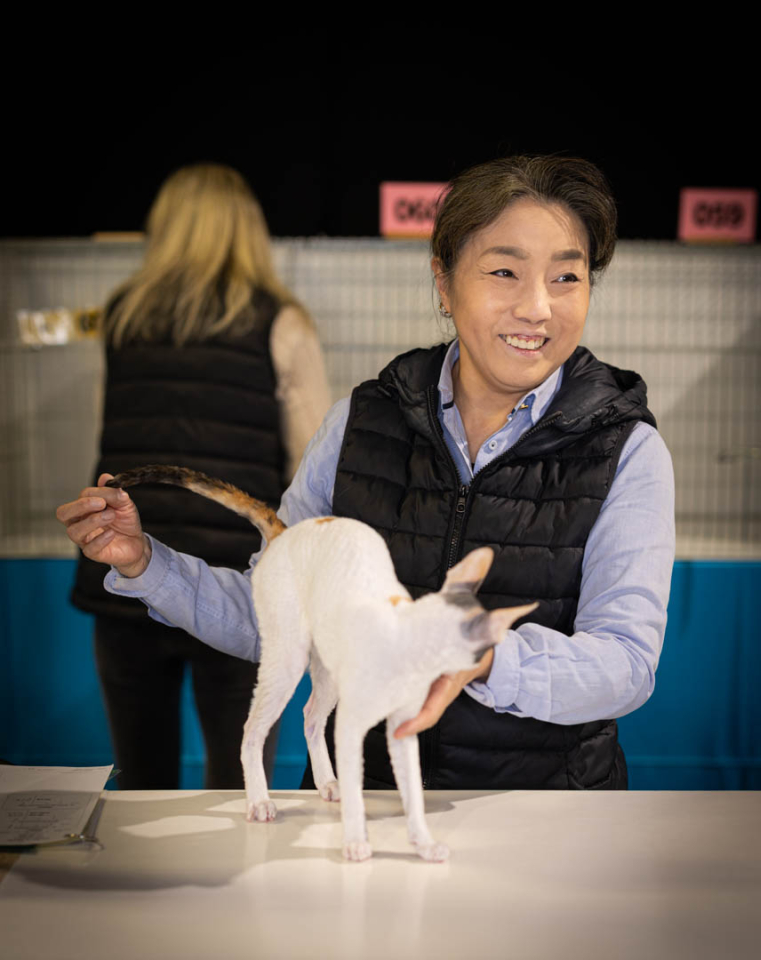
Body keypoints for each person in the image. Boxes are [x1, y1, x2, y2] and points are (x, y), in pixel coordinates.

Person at [58, 155, 675, 791]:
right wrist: (144, 563)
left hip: (547, 818)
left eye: (567, 276)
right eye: (504, 271)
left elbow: (625, 666)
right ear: (444, 279)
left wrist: (482, 655)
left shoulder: (626, 449)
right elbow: (267, 615)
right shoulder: (359, 422)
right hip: (359, 813)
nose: (538, 307)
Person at [68, 163, 331, 789]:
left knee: (139, 779)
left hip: (127, 572)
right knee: (241, 783)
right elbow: (314, 460)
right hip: (236, 590)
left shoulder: (123, 317)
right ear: (247, 230)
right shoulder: (280, 321)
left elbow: (105, 441)